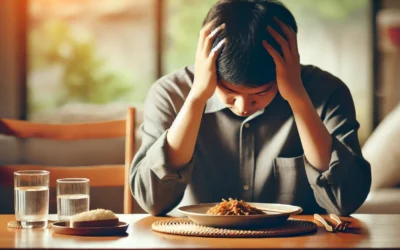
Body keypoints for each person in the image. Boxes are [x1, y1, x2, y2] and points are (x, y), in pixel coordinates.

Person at [130, 0, 371, 216]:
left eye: (261, 92)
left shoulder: (327, 92)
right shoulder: (170, 94)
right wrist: (196, 98)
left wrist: (298, 97)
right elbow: (152, 201)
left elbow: (345, 201)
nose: (244, 105)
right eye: (230, 92)